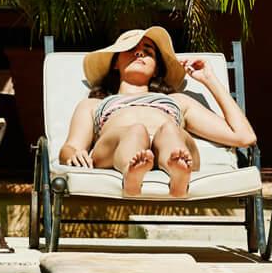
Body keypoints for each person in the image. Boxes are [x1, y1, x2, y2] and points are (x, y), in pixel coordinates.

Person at [56, 26, 256, 197]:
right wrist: (73, 155)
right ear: (115, 63)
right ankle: (131, 171)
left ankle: (178, 172)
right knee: (135, 131)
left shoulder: (178, 101)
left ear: (157, 69)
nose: (139, 53)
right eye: (131, 49)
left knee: (170, 129)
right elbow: (70, 147)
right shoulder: (93, 104)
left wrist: (209, 79)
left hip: (169, 144)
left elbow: (244, 137)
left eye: (148, 51)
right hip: (116, 146)